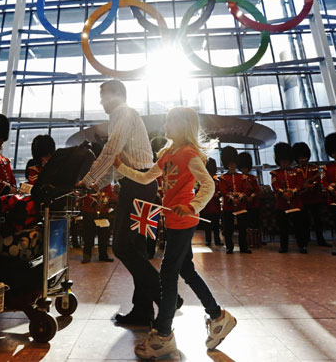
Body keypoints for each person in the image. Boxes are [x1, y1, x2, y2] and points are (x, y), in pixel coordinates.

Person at [114, 107, 236, 359]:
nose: (166, 124)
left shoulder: (189, 154)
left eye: (170, 121)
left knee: (168, 276)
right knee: (186, 270)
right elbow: (147, 177)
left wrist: (191, 206)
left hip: (184, 219)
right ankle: (218, 316)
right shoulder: (167, 154)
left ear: (182, 126)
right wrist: (121, 168)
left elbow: (209, 185)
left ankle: (163, 335)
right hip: (172, 220)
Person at [76, 80, 162, 326]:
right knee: (138, 250)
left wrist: (88, 179)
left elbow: (111, 150)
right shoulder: (121, 116)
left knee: (123, 247)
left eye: (103, 95)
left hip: (137, 185)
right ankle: (143, 311)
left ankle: (165, 297)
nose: (100, 100)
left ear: (116, 95)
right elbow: (116, 166)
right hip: (142, 185)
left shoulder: (123, 113)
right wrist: (95, 185)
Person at [270, 142, 308, 254]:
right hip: (282, 203)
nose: (284, 163)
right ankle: (284, 246)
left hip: (295, 202)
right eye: (282, 161)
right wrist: (283, 193)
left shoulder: (297, 172)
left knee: (299, 226)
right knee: (283, 227)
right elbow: (275, 185)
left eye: (286, 161)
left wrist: (293, 192)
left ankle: (302, 245)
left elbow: (300, 184)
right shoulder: (275, 173)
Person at [292, 142, 330, 247]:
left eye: (305, 157)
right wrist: (303, 186)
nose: (303, 159)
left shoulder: (314, 168)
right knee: (304, 222)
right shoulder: (294, 170)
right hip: (302, 199)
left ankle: (321, 240)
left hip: (314, 198)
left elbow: (318, 180)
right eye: (300, 157)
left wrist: (313, 184)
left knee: (318, 221)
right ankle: (305, 240)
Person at [219, 146, 251, 254]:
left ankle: (243, 247)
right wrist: (232, 198)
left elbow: (245, 189)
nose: (232, 166)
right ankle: (229, 247)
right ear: (227, 165)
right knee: (228, 229)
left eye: (233, 164)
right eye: (230, 164)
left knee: (242, 228)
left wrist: (239, 197)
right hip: (228, 206)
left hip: (241, 205)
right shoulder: (223, 178)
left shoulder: (242, 177)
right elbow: (223, 190)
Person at [237, 151, 263, 246]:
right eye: (243, 168)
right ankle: (246, 241)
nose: (245, 169)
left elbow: (257, 190)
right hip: (243, 203)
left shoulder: (253, 178)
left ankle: (256, 240)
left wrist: (251, 196)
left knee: (255, 222)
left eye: (246, 167)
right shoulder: (239, 178)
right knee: (244, 224)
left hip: (253, 203)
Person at [200, 158, 223, 246]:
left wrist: (219, 194)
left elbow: (222, 191)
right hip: (207, 207)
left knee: (216, 226)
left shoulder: (217, 182)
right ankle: (208, 240)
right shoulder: (203, 182)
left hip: (216, 207)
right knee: (207, 226)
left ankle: (217, 240)